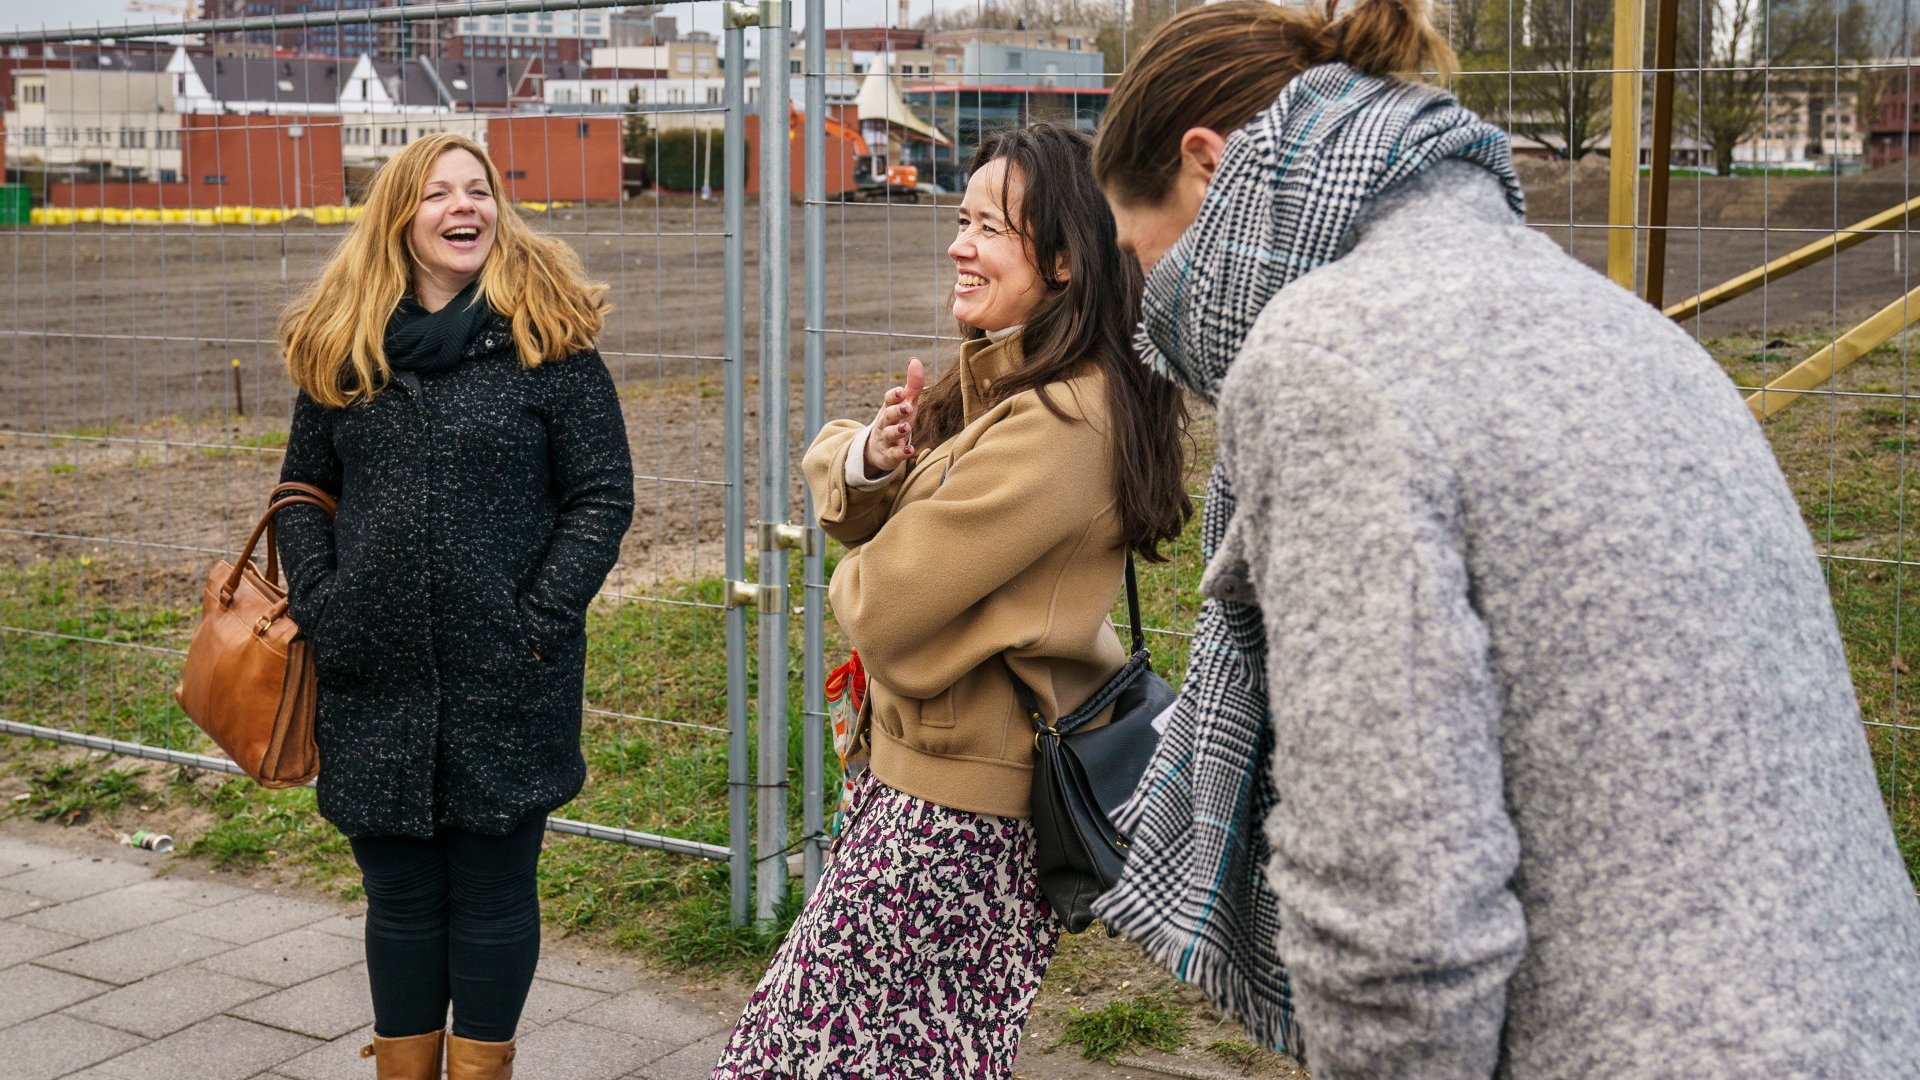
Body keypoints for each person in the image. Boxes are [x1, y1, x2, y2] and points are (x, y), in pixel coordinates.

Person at [1087, 1, 1920, 1077]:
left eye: (1133, 250)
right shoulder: (1615, 324)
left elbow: (1396, 916)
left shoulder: (1328, 357)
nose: (1146, 304)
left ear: (1205, 172)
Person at [711, 124, 1191, 1077]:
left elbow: (881, 607)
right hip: (927, 798)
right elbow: (870, 504)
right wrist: (878, 464)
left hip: (957, 826)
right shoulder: (1014, 385)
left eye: (987, 228)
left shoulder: (1060, 421)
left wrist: (877, 543)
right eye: (960, 220)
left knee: (794, 1059)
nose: (958, 244)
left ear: (1060, 261)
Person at [274, 133, 634, 1080]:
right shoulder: (343, 350)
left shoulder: (547, 342)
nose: (463, 207)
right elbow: (300, 494)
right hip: (373, 673)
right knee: (396, 896)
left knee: (493, 893)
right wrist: (324, 606)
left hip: (508, 674)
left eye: (479, 190)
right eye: (438, 194)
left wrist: (539, 621)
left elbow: (602, 494)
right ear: (401, 217)